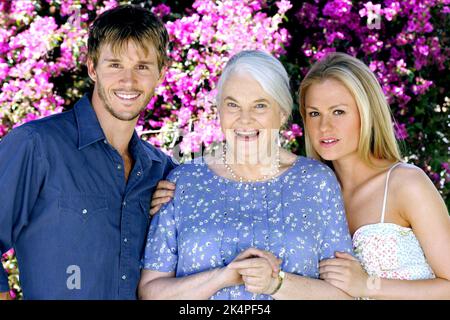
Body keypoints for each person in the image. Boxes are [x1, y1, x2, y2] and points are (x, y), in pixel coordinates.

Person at [138, 50, 354, 300]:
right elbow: (151, 293)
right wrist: (223, 276)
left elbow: (344, 295)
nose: (245, 118)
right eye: (232, 105)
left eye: (260, 105)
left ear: (282, 112)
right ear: (219, 111)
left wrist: (276, 284)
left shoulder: (317, 182)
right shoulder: (183, 182)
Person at [0, 5, 177, 300]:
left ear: (161, 73)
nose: (129, 81)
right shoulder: (36, 146)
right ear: (92, 67)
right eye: (115, 65)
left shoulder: (162, 171)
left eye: (142, 66)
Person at [298, 52, 450, 299]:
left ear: (366, 113)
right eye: (314, 113)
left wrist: (368, 284)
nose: (324, 126)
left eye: (338, 112)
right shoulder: (310, 197)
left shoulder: (406, 184)